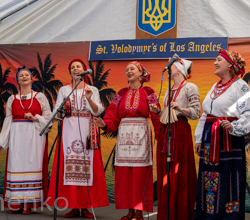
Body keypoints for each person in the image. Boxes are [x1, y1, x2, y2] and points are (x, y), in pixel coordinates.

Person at [94, 61, 160, 220]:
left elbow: (156, 114)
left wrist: (160, 132)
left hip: (141, 134)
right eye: (126, 69)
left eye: (132, 69)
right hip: (124, 135)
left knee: (140, 174)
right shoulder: (121, 93)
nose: (129, 71)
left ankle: (139, 212)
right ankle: (129, 211)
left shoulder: (148, 92)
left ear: (140, 73)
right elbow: (112, 115)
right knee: (125, 174)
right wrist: (104, 124)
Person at [46, 59, 109, 218]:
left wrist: (88, 98)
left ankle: (86, 205)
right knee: (69, 165)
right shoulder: (64, 89)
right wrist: (58, 113)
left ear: (84, 70)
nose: (75, 69)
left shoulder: (92, 89)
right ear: (70, 72)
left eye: (78, 66)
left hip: (87, 127)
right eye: (72, 67)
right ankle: (72, 205)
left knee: (88, 167)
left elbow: (97, 111)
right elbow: (56, 110)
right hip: (69, 128)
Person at [194, 49, 250, 219]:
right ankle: (208, 215)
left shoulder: (240, 85)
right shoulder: (215, 86)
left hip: (228, 140)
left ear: (230, 65)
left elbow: (248, 112)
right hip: (209, 140)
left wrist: (234, 126)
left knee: (229, 176)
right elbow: (206, 114)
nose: (214, 62)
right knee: (209, 177)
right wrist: (199, 139)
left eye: (218, 60)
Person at [0, 67, 51, 214]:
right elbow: (7, 122)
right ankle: (15, 203)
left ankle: (28, 204)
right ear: (17, 80)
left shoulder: (40, 97)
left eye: (27, 75)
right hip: (16, 136)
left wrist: (35, 118)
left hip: (34, 135)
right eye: (21, 75)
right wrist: (1, 143)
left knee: (33, 164)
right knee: (16, 164)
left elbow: (49, 118)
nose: (24, 77)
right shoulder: (12, 99)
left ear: (32, 79)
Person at [149, 58, 200, 220]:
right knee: (166, 169)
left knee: (179, 169)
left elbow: (196, 112)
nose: (169, 69)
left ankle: (181, 213)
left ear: (179, 69)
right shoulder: (170, 89)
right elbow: (167, 111)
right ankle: (167, 212)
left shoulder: (190, 87)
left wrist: (180, 108)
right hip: (167, 131)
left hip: (180, 131)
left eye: (172, 66)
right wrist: (158, 111)